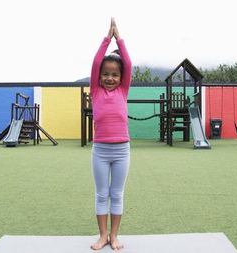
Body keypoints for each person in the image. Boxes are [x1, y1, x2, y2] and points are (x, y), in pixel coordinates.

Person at [89, 18, 132, 251]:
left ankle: (114, 236)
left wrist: (120, 39)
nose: (110, 78)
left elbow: (128, 64)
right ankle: (102, 235)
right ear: (99, 76)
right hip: (101, 151)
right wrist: (107, 39)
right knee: (101, 193)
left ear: (121, 78)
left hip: (122, 150)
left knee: (117, 193)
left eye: (115, 75)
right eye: (106, 74)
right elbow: (96, 62)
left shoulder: (123, 90)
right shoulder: (95, 90)